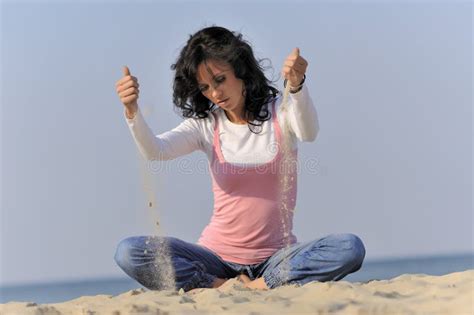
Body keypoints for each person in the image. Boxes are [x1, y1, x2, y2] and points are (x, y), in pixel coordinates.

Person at [114, 26, 365, 292]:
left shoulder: (281, 110)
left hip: (276, 258)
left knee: (350, 247)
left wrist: (297, 86)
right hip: (215, 259)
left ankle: (260, 285)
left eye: (220, 80)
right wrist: (132, 111)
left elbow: (309, 132)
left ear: (240, 69)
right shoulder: (206, 126)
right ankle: (220, 286)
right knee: (129, 252)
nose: (215, 94)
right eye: (205, 87)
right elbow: (156, 150)